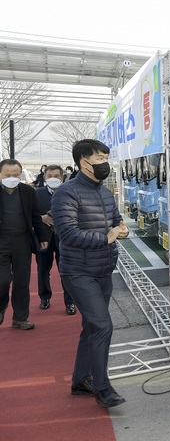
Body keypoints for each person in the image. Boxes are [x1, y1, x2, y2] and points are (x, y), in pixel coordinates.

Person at [51, 139, 129, 408]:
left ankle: (80, 379)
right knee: (102, 325)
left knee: (91, 327)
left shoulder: (105, 192)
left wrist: (122, 229)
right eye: (99, 158)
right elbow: (67, 233)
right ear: (83, 162)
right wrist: (105, 238)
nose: (104, 163)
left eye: (106, 157)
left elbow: (116, 220)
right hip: (78, 271)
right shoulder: (66, 193)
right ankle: (102, 387)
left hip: (104, 269)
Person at [0, 159, 50, 330]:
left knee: (22, 281)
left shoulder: (28, 191)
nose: (12, 178)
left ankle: (20, 318)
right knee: (3, 279)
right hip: (1, 241)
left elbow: (36, 216)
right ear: (0, 174)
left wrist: (42, 237)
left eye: (16, 175)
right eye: (8, 175)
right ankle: (1, 306)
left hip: (22, 241)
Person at [35, 164, 76, 314]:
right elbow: (29, 215)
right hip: (44, 238)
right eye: (49, 176)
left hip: (65, 239)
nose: (53, 179)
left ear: (63, 177)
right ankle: (44, 297)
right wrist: (42, 218)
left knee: (66, 271)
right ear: (44, 177)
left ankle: (70, 302)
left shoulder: (70, 192)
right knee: (43, 269)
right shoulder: (36, 194)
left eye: (56, 176)